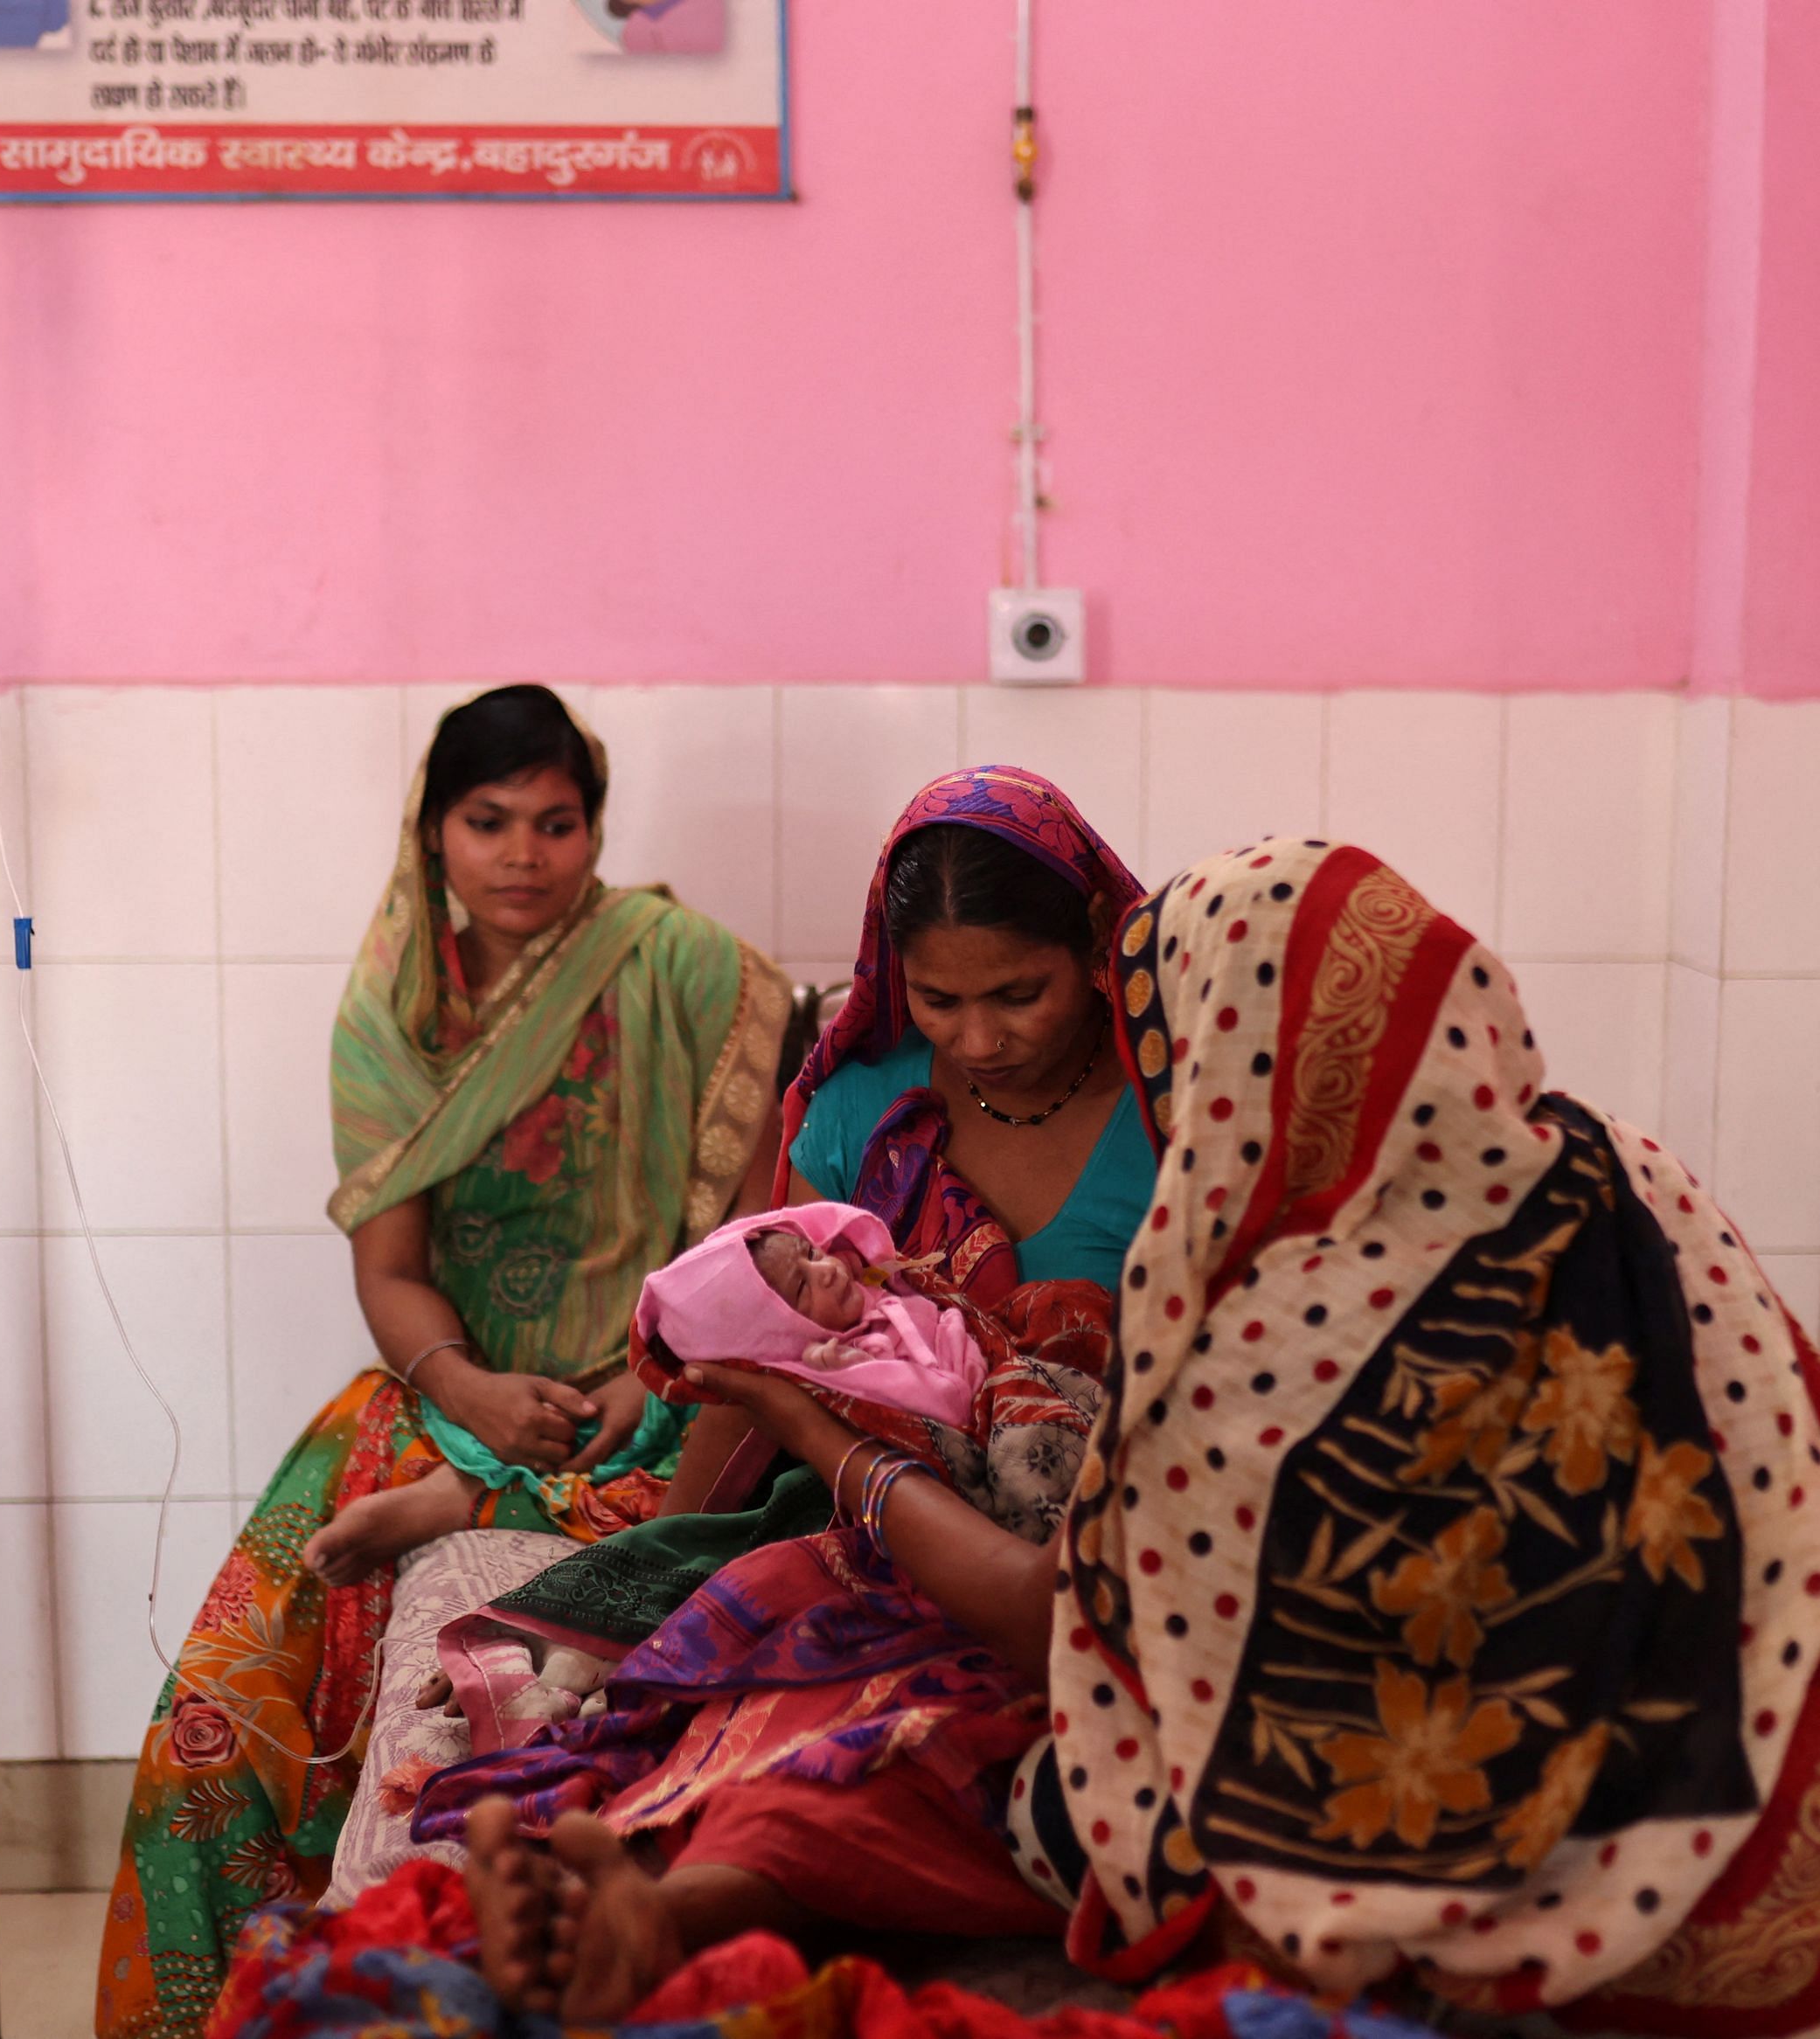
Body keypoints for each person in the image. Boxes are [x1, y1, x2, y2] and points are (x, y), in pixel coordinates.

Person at [426, 838, 1820, 2036]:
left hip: (1616, 1882)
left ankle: (686, 1903)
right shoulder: (1607, 1175)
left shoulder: (1275, 1337)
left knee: (1015, 1765)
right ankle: (686, 1896)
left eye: (1168, 1057)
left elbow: (1069, 1622)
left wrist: (821, 1431)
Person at [95, 686, 792, 2039]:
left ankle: (484, 1509)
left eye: (556, 821)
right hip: (448, 1388)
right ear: (433, 833)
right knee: (216, 1720)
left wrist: (658, 1372)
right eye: (488, 822)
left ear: (593, 830)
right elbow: (392, 1265)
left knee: (740, 1499)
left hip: (672, 1378)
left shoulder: (685, 966)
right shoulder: (394, 1019)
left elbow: (758, 1224)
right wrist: (466, 1391)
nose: (525, 853)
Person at [455, 763, 1154, 1664]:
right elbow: (765, 1351)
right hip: (858, 1520)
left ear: (1095, 940)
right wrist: (627, 1591)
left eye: (1019, 995)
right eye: (940, 1000)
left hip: (1087, 1531)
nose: (979, 1040)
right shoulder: (861, 1102)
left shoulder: (1173, 1114)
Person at [639, 1203, 989, 1429]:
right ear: (779, 1335)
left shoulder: (863, 1276)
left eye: (812, 1252)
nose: (827, 1271)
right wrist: (855, 1370)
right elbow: (952, 1408)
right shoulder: (834, 1370)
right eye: (802, 1288)